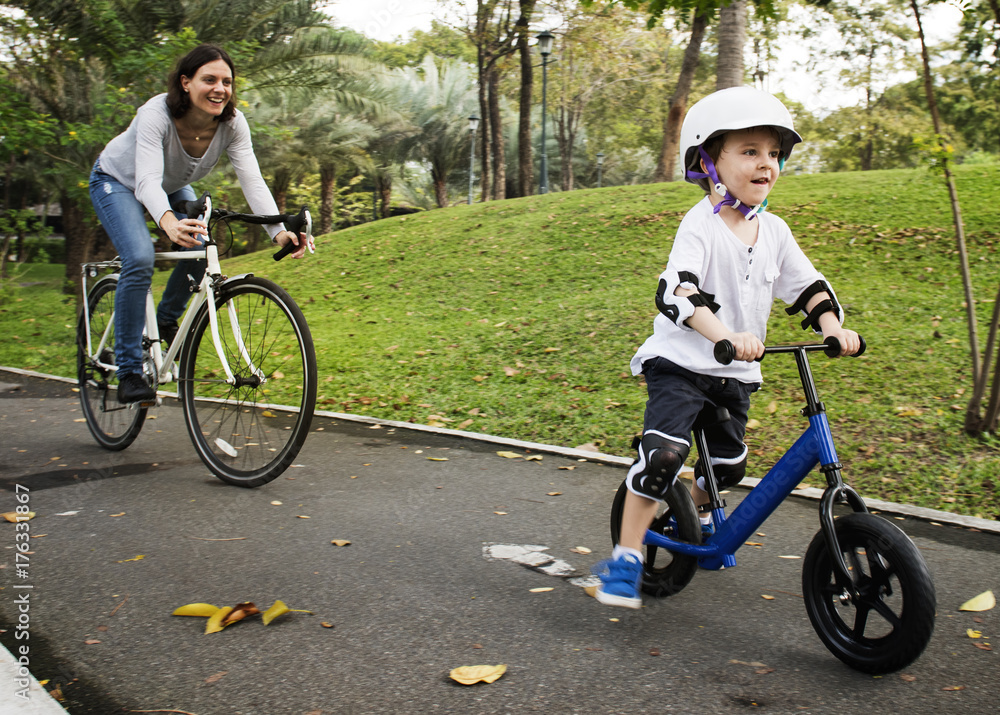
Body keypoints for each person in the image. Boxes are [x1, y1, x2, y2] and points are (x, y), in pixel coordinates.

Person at [594, 86, 861, 609]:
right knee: (663, 457)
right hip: (682, 363)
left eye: (773, 154)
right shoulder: (700, 225)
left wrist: (830, 326)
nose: (767, 164)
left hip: (735, 373)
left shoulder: (776, 231)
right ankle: (625, 557)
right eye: (749, 151)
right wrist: (724, 335)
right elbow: (679, 290)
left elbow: (806, 286)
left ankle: (690, 513)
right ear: (708, 161)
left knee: (730, 466)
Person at [89, 43, 312, 404]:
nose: (220, 89)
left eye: (227, 81)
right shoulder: (156, 114)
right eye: (209, 79)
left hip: (172, 186)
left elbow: (252, 180)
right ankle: (129, 370)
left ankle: (162, 323)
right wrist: (167, 222)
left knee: (201, 239)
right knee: (141, 257)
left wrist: (278, 232)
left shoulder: (233, 123)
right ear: (186, 83)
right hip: (117, 181)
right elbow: (145, 178)